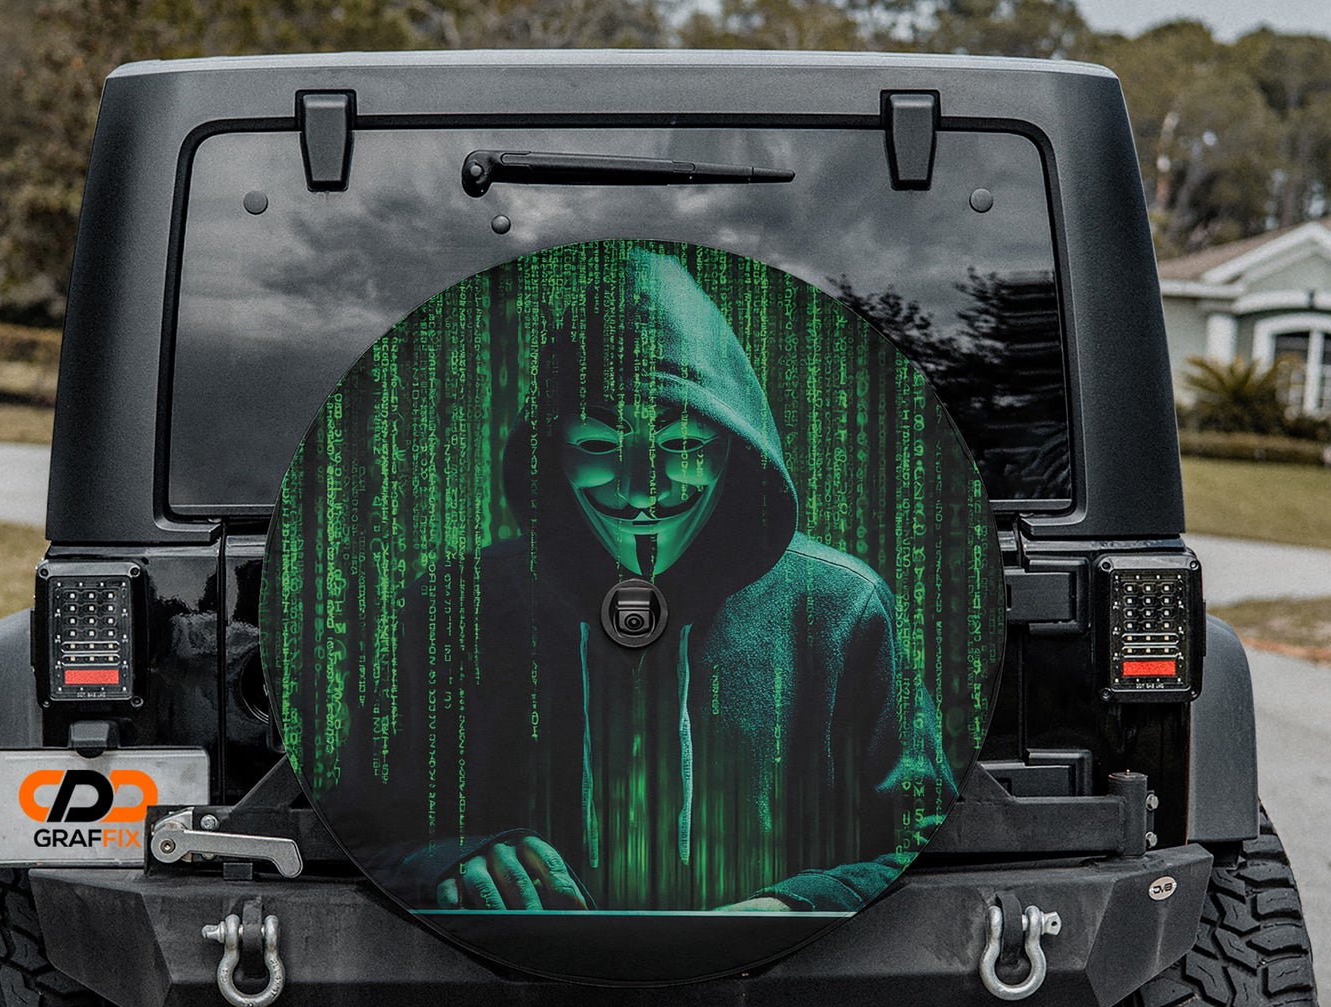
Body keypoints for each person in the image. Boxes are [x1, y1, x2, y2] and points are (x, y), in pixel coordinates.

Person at [341, 248, 954, 914]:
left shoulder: (841, 607)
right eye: (599, 445)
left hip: (782, 1001)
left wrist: (793, 910)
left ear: (734, 448)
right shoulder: (456, 608)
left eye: (683, 442)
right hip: (506, 996)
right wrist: (446, 862)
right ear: (551, 451)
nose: (642, 490)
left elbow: (928, 841)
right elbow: (350, 835)